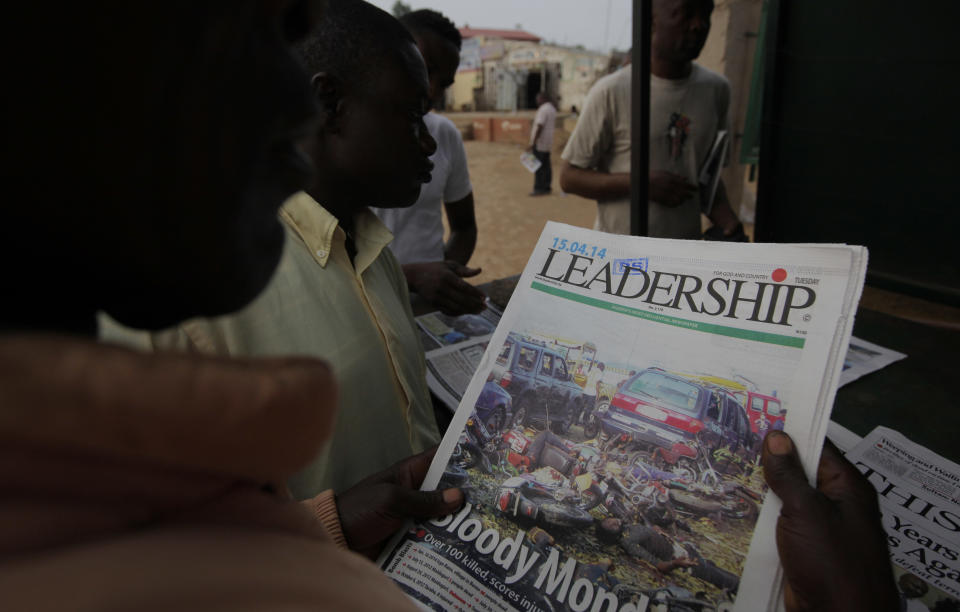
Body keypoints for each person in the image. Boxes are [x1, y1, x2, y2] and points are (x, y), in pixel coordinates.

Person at [2, 0, 461, 608]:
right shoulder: (159, 327)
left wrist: (328, 527)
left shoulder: (371, 250)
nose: (292, 105)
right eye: (260, 37)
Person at [100, 0, 443, 499]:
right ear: (330, 104)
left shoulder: (372, 247)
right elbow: (144, 545)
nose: (428, 144)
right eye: (412, 114)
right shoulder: (178, 289)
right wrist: (335, 525)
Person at [559, 0, 745, 240]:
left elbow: (706, 176)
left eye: (705, 15)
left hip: (684, 254)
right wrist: (639, 184)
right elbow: (569, 177)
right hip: (621, 255)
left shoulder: (717, 90)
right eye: (685, 14)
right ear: (651, 22)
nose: (698, 26)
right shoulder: (612, 91)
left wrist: (727, 220)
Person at [372, 9, 486, 316]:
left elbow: (464, 226)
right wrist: (410, 276)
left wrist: (443, 276)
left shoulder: (444, 135)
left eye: (445, 82)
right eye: (426, 68)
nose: (432, 89)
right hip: (366, 305)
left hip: (425, 306)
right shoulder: (356, 137)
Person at [528, 91, 558, 196]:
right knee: (546, 166)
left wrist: (533, 142)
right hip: (548, 142)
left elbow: (539, 126)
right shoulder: (552, 109)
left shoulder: (543, 109)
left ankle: (539, 188)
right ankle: (546, 187)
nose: (537, 101)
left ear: (542, 98)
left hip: (540, 143)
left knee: (538, 166)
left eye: (538, 98)